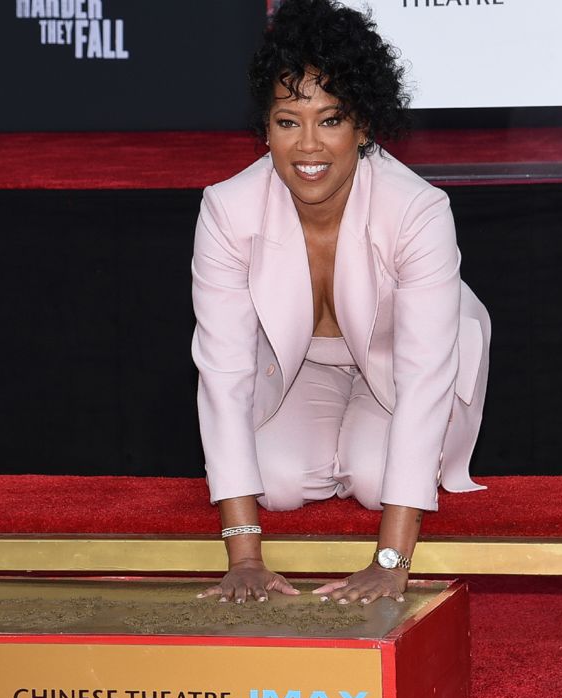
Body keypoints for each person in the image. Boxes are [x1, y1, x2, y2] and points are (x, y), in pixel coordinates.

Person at [191, 0, 491, 606]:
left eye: (330, 120)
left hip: (403, 367)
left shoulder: (417, 209)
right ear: (265, 127)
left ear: (364, 126)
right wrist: (244, 556)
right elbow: (222, 373)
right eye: (287, 121)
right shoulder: (227, 209)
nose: (308, 146)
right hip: (302, 368)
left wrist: (389, 562)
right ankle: (343, 446)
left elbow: (425, 374)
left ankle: (359, 450)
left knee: (381, 478)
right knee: (273, 483)